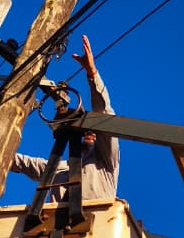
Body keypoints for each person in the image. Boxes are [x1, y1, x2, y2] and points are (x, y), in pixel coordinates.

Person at [10, 34, 119, 203]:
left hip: (98, 224)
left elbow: (105, 115)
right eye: (86, 130)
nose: (90, 133)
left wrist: (92, 74)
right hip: (57, 228)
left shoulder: (106, 161)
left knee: (104, 122)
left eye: (93, 130)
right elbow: (25, 163)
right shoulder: (60, 168)